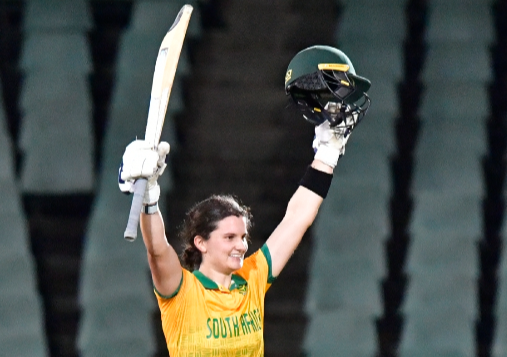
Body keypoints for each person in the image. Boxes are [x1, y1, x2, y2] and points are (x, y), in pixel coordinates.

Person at [118, 45, 371, 356]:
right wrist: (149, 198)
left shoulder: (252, 278)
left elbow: (297, 218)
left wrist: (327, 156)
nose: (241, 245)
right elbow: (157, 249)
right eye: (229, 237)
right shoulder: (181, 292)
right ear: (201, 242)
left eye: (242, 237)